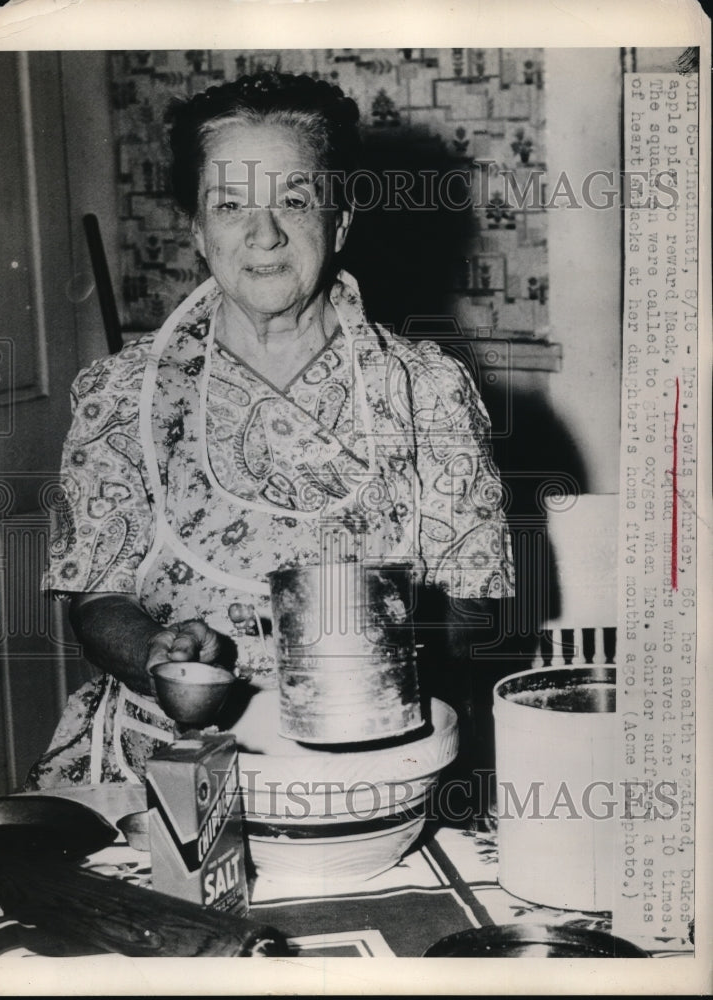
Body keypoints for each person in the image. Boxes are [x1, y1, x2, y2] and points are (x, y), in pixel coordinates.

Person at [28, 71, 514, 789]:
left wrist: (393, 631)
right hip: (160, 764)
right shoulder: (122, 392)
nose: (263, 234)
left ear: (340, 220)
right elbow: (97, 598)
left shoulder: (426, 391)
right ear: (197, 228)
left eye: (294, 199)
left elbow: (477, 609)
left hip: (369, 759)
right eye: (230, 205)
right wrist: (161, 652)